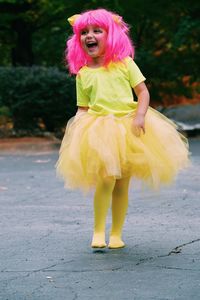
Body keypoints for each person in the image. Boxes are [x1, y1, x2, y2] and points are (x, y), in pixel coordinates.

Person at [56, 9, 189, 249]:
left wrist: (140, 116)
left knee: (121, 184)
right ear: (78, 40)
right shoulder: (83, 74)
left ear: (112, 35)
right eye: (84, 32)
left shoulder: (125, 64)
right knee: (105, 179)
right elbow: (83, 107)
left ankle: (116, 234)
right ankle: (98, 231)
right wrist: (76, 129)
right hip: (98, 130)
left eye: (97, 31)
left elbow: (143, 92)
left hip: (127, 126)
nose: (90, 36)